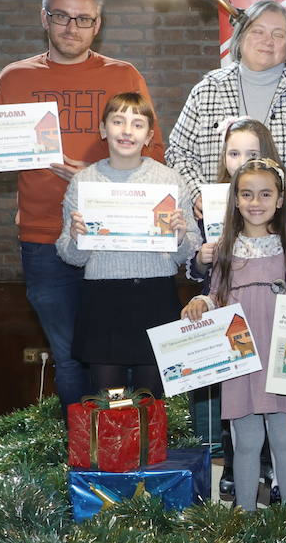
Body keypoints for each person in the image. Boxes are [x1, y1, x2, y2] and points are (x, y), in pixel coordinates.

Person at [0, 0, 157, 412]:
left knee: (122, 357)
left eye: (83, 19)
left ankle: (128, 453)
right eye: (61, 16)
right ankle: (82, 457)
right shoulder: (16, 77)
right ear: (44, 18)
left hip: (113, 238)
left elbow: (157, 154)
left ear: (98, 24)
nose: (71, 27)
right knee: (69, 357)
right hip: (42, 241)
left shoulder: (123, 75)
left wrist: (96, 176)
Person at [182, 157, 286, 510]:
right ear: (235, 200)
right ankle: (242, 517)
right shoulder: (225, 249)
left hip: (284, 356)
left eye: (265, 194)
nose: (256, 202)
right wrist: (201, 302)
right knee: (245, 441)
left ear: (280, 200)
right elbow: (216, 295)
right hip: (241, 358)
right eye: (247, 194)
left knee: (283, 438)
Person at [55, 92, 197, 397]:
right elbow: (70, 255)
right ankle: (113, 448)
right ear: (104, 130)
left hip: (155, 297)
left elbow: (190, 251)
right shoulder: (84, 182)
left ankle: (148, 448)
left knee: (151, 400)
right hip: (103, 302)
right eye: (118, 121)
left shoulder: (169, 180)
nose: (126, 130)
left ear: (148, 135)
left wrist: (181, 235)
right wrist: (79, 239)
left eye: (137, 123)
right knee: (109, 402)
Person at [166, 0, 286, 236]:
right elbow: (178, 153)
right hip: (220, 241)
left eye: (278, 34)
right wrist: (198, 193)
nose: (267, 41)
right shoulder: (207, 90)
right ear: (240, 36)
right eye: (258, 31)